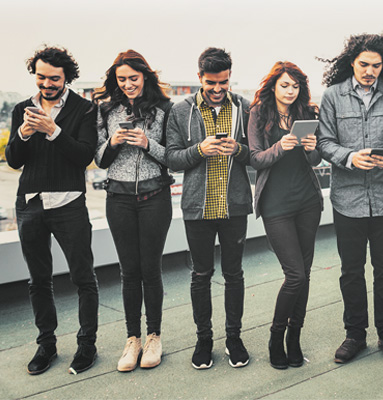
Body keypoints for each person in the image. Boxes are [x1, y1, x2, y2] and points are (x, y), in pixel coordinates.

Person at [317, 33, 383, 365]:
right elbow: (324, 143)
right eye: (364, 65)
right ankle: (354, 335)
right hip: (347, 200)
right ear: (351, 63)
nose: (370, 71)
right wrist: (348, 157)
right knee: (351, 272)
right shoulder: (332, 96)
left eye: (376, 65)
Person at [6, 46, 99, 375]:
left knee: (83, 277)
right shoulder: (22, 109)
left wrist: (53, 131)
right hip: (30, 204)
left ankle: (87, 344)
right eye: (41, 76)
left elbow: (84, 156)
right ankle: (46, 344)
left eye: (54, 78)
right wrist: (23, 133)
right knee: (38, 280)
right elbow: (14, 160)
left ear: (66, 78)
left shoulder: (85, 109)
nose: (46, 83)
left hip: (69, 204)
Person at [166, 47, 252, 370]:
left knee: (234, 274)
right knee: (200, 275)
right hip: (197, 209)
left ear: (230, 78)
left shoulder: (243, 106)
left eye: (224, 83)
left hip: (234, 207)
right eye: (211, 83)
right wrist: (199, 150)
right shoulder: (180, 110)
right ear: (199, 77)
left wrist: (239, 150)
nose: (218, 90)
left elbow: (254, 153)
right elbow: (172, 158)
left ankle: (234, 338)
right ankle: (204, 339)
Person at [92, 50, 173, 372]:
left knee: (151, 269)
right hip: (119, 198)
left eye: (133, 78)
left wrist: (147, 144)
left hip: (155, 195)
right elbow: (99, 159)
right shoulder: (105, 109)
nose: (127, 84)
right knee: (129, 271)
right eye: (121, 79)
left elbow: (174, 157)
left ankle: (154, 335)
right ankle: (132, 339)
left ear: (145, 77)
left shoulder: (165, 109)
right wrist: (112, 142)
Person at [248, 61, 323, 369]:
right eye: (285, 85)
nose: (290, 91)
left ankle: (295, 339)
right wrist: (280, 146)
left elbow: (316, 160)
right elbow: (254, 160)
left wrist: (310, 147)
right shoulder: (258, 114)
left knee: (304, 276)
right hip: (276, 206)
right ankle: (276, 336)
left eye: (295, 86)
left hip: (307, 202)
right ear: (273, 86)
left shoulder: (306, 113)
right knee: (294, 275)